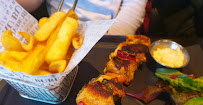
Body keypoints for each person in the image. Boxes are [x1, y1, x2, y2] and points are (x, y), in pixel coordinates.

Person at [16, 0, 148, 35]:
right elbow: (32, 3)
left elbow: (133, 8)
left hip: (106, 33)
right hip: (56, 31)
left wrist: (110, 39)